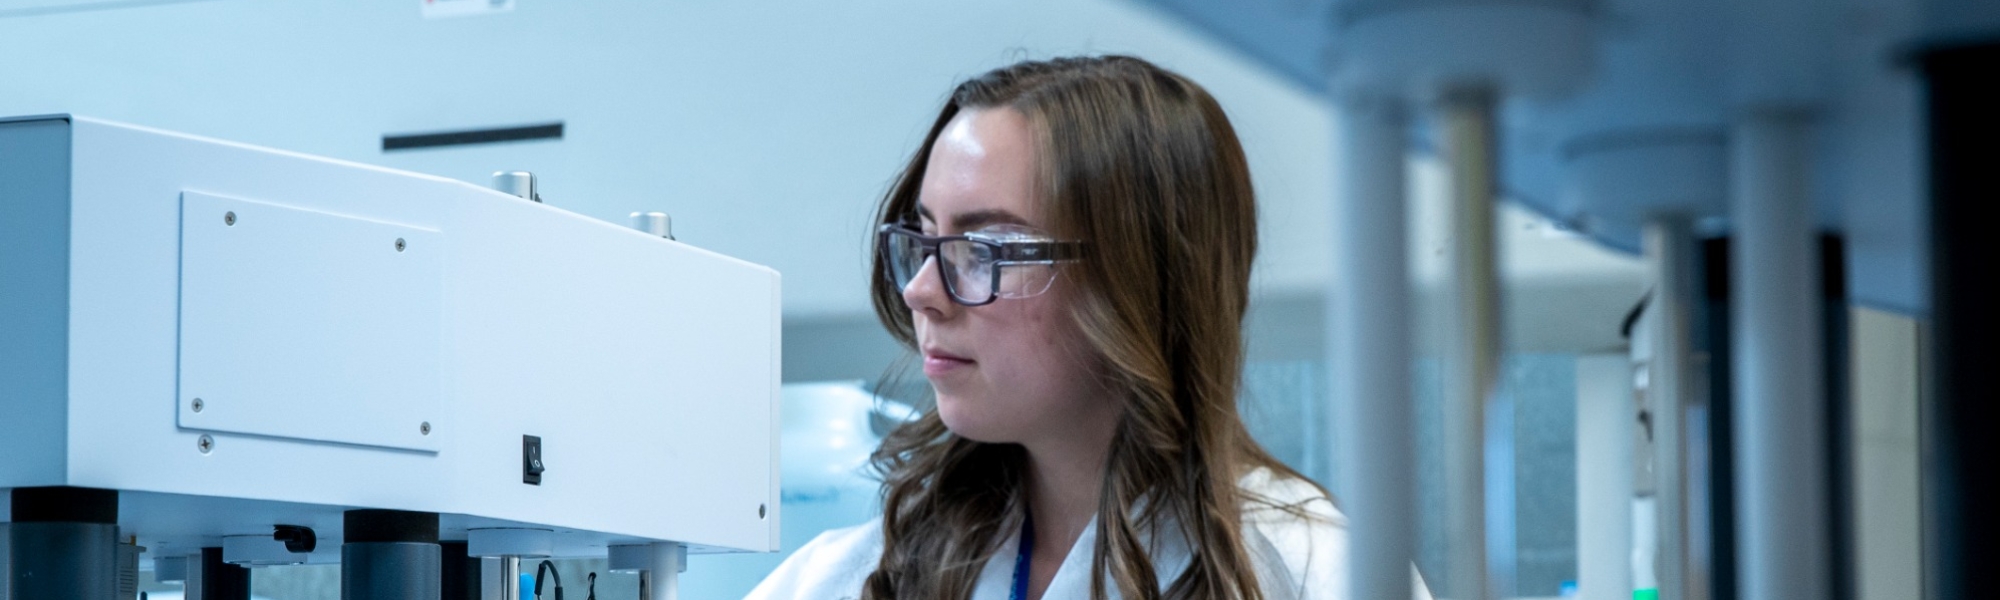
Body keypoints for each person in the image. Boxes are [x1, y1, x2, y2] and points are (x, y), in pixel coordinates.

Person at [747, 55, 1431, 600]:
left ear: (1141, 280)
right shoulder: (860, 577)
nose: (923, 291)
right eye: (923, 240)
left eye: (987, 250)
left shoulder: (1314, 573)